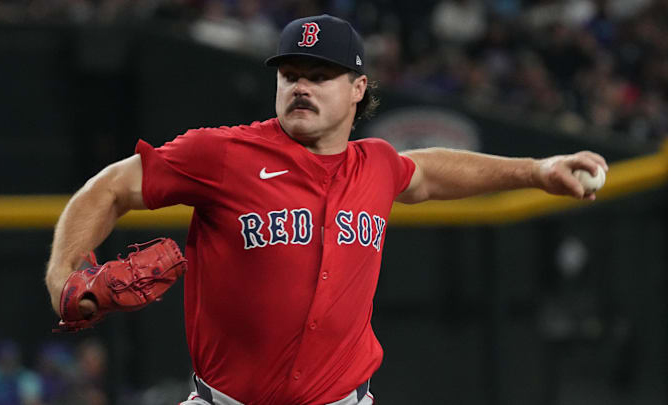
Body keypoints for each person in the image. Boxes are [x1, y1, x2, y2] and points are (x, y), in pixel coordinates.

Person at [45, 14, 608, 405]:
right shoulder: (222, 155)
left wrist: (537, 170)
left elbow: (430, 171)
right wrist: (66, 272)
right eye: (290, 75)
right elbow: (110, 187)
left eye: (319, 76)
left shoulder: (376, 165)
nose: (300, 88)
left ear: (358, 87)